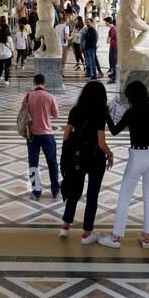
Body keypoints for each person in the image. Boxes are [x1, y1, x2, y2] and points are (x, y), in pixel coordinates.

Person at [100, 78, 149, 249]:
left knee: (124, 196)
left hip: (138, 156)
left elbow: (114, 131)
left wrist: (107, 115)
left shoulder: (132, 113)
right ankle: (146, 238)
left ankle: (116, 238)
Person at [58, 79, 115, 243]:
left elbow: (66, 134)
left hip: (78, 156)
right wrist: (109, 154)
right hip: (95, 158)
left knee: (74, 189)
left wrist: (68, 150)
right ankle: (87, 232)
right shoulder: (100, 113)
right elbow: (101, 143)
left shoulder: (75, 110)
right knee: (92, 195)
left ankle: (65, 226)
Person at [21, 73, 60, 199]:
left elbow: (22, 113)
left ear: (34, 83)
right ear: (44, 83)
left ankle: (36, 191)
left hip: (32, 135)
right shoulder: (50, 97)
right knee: (52, 162)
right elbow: (56, 115)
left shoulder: (28, 97)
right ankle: (55, 189)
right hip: (47, 134)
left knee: (33, 164)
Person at [106, 16, 118, 83]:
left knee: (114, 62)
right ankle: (114, 74)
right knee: (113, 62)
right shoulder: (116, 29)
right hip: (115, 47)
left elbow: (108, 41)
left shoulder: (112, 30)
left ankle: (114, 78)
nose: (105, 23)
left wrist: (107, 39)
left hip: (114, 48)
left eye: (105, 22)